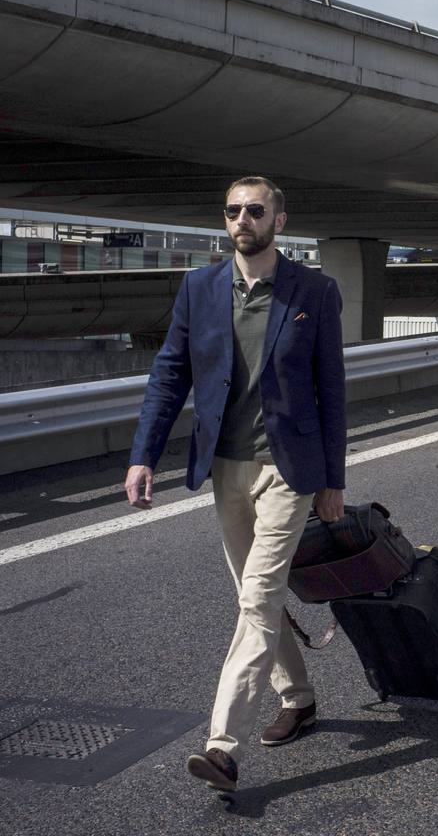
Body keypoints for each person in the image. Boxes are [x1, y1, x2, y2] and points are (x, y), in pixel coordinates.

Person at [124, 176, 346, 793]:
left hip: (289, 469)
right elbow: (170, 374)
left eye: (254, 210)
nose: (242, 219)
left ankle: (221, 746)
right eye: (232, 211)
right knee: (256, 597)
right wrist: (144, 456)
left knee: (258, 597)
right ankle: (298, 697)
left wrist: (333, 480)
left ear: (279, 219)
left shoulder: (315, 291)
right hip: (225, 465)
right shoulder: (199, 287)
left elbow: (332, 391)